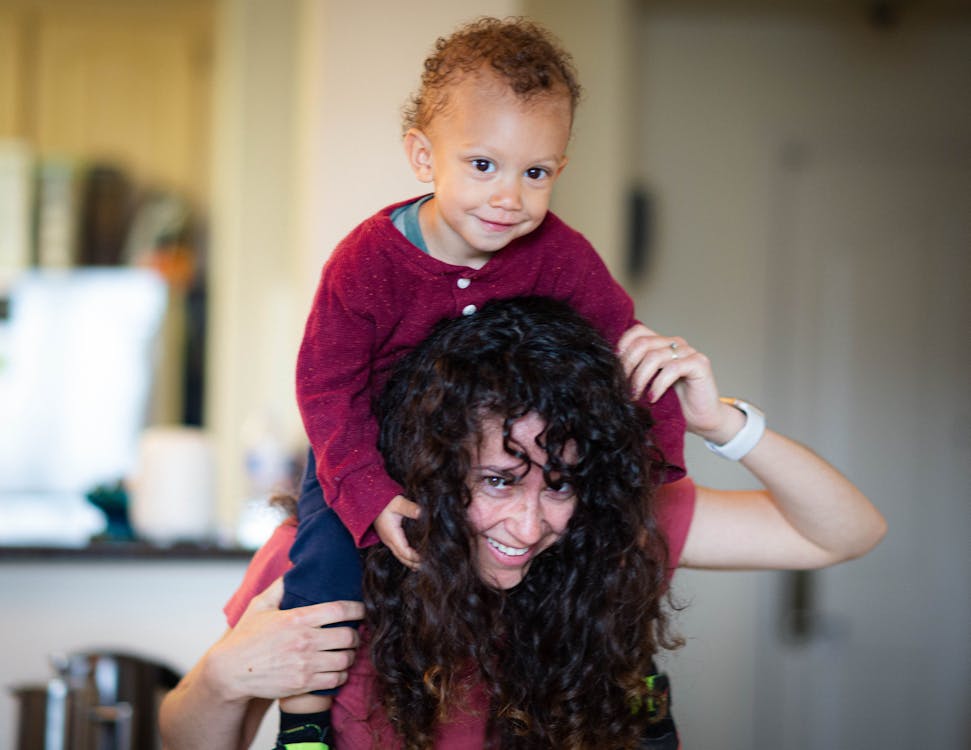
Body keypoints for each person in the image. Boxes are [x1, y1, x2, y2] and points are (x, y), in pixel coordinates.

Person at [159, 297, 887, 749]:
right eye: (499, 481)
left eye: (560, 484)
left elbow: (845, 531)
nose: (531, 523)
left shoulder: (610, 531)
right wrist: (221, 681)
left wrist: (718, 423)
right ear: (432, 467)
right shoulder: (319, 558)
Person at [280, 16, 687, 747]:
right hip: (364, 445)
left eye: (534, 173)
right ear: (421, 156)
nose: (508, 198)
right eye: (482, 166)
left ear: (558, 170)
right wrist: (368, 498)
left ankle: (637, 681)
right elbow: (324, 389)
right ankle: (303, 725)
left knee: (618, 546)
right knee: (322, 566)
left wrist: (653, 458)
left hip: (477, 456)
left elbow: (627, 352)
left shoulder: (561, 255)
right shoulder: (364, 262)